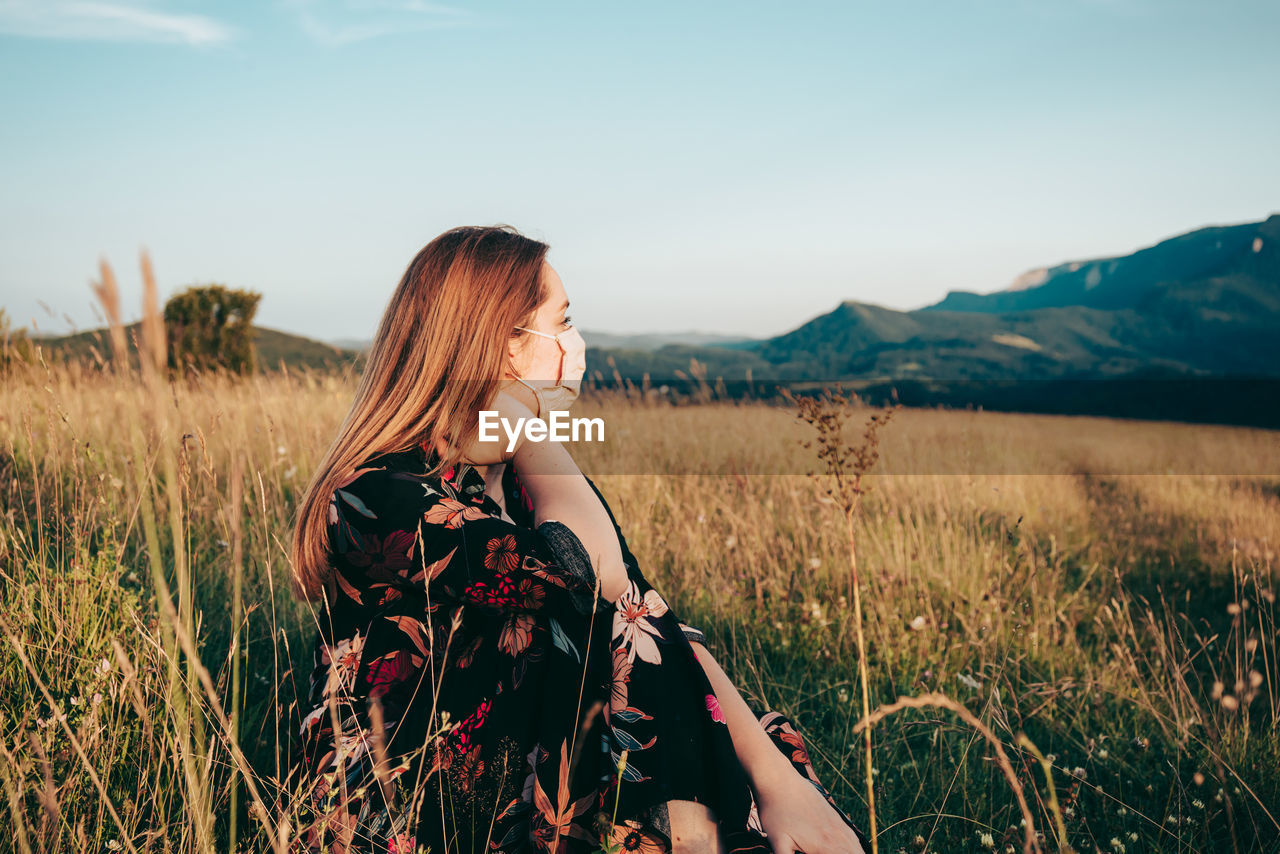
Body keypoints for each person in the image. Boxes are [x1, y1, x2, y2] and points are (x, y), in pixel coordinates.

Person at [286, 225, 871, 854]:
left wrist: (777, 780)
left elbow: (644, 615)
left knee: (659, 670)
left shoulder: (527, 485)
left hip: (510, 778)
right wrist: (535, 433)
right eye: (563, 323)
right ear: (505, 346)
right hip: (397, 808)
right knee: (599, 640)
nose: (580, 345)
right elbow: (591, 578)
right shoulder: (380, 492)